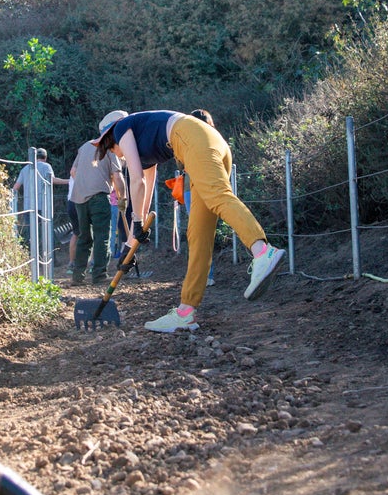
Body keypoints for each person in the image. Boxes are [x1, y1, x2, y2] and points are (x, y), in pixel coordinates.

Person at [94, 108, 284, 331]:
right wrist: (132, 238)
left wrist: (136, 223)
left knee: (218, 196)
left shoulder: (122, 128)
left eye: (112, 150)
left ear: (109, 137)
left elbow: (136, 181)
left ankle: (263, 252)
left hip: (193, 139)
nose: (117, 155)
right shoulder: (143, 142)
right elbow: (146, 184)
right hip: (204, 142)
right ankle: (186, 312)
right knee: (198, 232)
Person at [66, 114, 124, 285]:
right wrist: (123, 197)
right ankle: (99, 275)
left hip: (79, 198)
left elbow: (73, 172)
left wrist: (86, 182)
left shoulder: (84, 146)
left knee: (84, 237)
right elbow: (118, 176)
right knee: (102, 236)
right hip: (99, 197)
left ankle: (78, 276)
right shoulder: (110, 147)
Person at [12, 149, 55, 270]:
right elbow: (51, 181)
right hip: (43, 207)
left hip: (28, 208)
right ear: (45, 157)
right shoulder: (47, 166)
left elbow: (16, 187)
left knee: (31, 234)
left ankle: (31, 259)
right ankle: (47, 260)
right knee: (46, 233)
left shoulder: (25, 169)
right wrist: (69, 182)